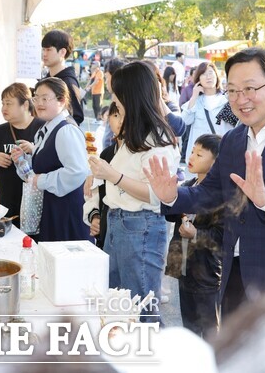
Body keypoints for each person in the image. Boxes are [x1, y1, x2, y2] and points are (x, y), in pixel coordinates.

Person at [146, 48, 265, 320]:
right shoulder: (234, 140)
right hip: (235, 273)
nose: (240, 99)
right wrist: (173, 196)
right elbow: (211, 193)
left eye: (250, 88)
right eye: (232, 91)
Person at [88, 61, 180, 321]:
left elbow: (156, 194)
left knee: (141, 309)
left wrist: (111, 175)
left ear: (131, 93)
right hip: (118, 223)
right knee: (117, 305)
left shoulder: (157, 138)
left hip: (141, 226)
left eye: (116, 92)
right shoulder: (133, 134)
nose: (113, 97)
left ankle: (152, 358)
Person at [11, 77, 89, 242]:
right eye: (36, 98)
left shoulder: (66, 130)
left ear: (61, 100)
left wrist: (42, 180)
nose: (39, 103)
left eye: (45, 98)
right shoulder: (47, 128)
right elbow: (44, 167)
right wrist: (23, 161)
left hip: (65, 211)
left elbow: (78, 171)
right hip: (52, 208)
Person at [165, 134, 223, 338]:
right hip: (184, 267)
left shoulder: (220, 195)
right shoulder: (190, 185)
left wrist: (196, 233)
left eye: (199, 154)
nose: (192, 157)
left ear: (215, 162)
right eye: (192, 151)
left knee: (208, 328)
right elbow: (170, 215)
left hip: (206, 272)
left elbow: (221, 238)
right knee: (188, 324)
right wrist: (171, 194)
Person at [0, 83, 44, 226]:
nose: (3, 108)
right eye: (2, 103)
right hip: (8, 210)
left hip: (40, 208)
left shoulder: (43, 128)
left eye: (9, 103)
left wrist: (34, 150)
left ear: (25, 105)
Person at [83, 102, 123, 248]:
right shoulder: (106, 154)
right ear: (108, 119)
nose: (121, 121)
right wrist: (94, 216)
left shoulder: (138, 153)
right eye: (116, 115)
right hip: (104, 233)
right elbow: (94, 194)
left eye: (124, 115)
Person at [180, 62, 233, 167]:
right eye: (203, 74)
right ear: (198, 79)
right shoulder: (195, 102)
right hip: (200, 155)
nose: (208, 77)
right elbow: (185, 121)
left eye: (210, 73)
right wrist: (194, 96)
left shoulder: (228, 100)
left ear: (216, 76)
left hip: (222, 153)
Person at [41, 30, 84, 125]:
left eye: (48, 50)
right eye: (43, 49)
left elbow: (77, 117)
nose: (44, 54)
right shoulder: (46, 80)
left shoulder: (68, 82)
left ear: (62, 52)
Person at [102, 58, 127, 149]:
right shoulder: (117, 100)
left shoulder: (122, 103)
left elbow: (109, 138)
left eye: (106, 78)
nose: (105, 82)